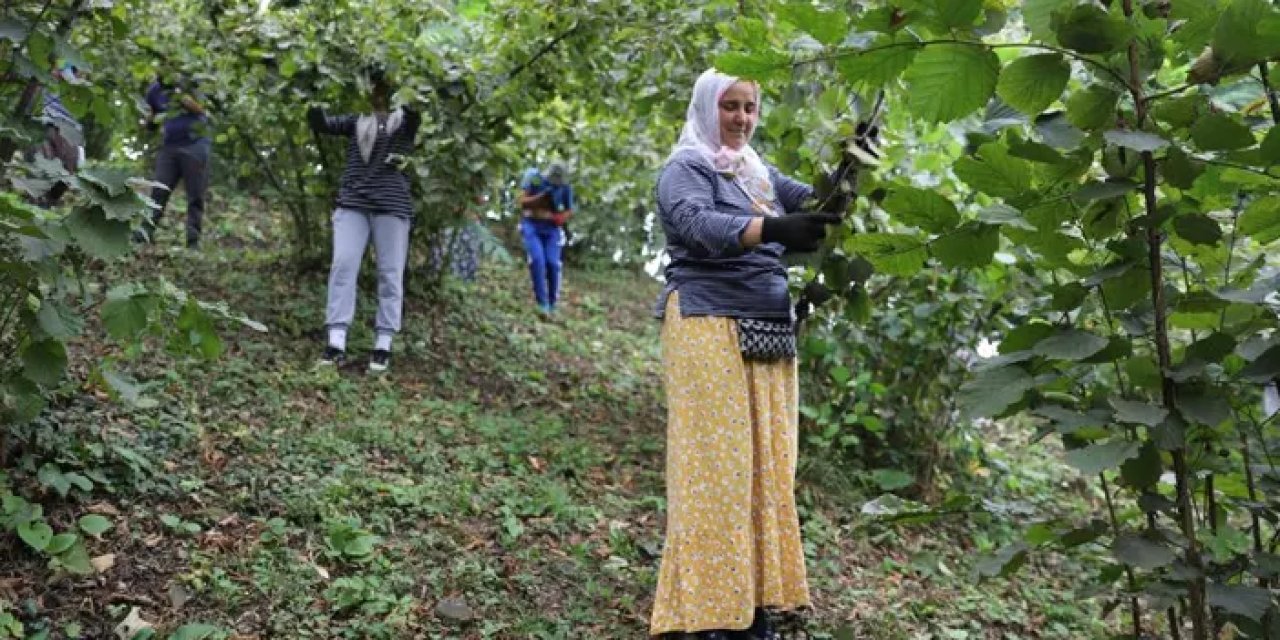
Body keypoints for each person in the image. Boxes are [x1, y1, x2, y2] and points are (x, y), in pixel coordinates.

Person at [649, 68, 842, 639]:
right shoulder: (685, 167)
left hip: (768, 327)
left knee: (765, 468)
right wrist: (775, 228)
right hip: (707, 321)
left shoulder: (758, 172)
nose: (740, 118)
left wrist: (853, 168)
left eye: (750, 107)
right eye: (729, 106)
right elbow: (697, 225)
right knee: (715, 469)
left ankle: (753, 606)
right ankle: (709, 615)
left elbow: (821, 207)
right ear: (708, 108)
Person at [307, 67, 421, 373]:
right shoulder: (356, 121)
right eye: (373, 86)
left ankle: (383, 346)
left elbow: (416, 111)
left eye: (382, 86)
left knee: (390, 274)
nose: (376, 92)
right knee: (343, 265)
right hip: (353, 203)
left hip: (391, 206)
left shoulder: (405, 121)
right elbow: (320, 123)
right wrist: (311, 85)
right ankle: (336, 343)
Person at [138, 70, 212, 248]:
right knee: (159, 190)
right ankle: (144, 233)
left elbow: (207, 111)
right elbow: (153, 117)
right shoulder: (154, 91)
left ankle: (193, 240)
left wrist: (187, 101)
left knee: (195, 194)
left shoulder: (192, 83)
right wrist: (147, 123)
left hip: (195, 144)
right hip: (170, 146)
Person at [518, 163, 574, 314]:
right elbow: (522, 201)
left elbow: (569, 210)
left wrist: (559, 218)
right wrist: (540, 198)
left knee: (553, 263)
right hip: (531, 224)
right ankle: (541, 302)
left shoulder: (566, 186)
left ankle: (552, 303)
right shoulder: (535, 178)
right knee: (537, 260)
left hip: (551, 228)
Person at [29, 63, 84, 207]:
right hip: (47, 122)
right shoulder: (49, 76)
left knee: (67, 174)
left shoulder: (76, 86)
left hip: (69, 129)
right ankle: (37, 205)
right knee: (41, 168)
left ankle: (45, 204)